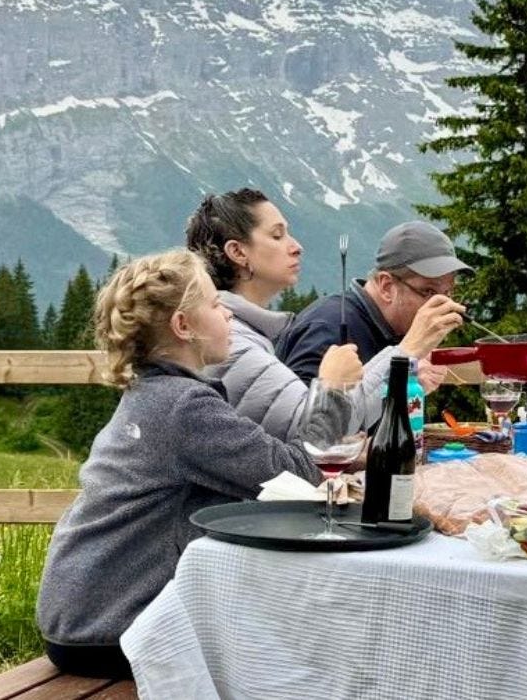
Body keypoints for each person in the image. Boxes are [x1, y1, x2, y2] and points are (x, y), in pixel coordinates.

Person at [35, 249, 343, 679]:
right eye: (216, 306)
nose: (229, 317)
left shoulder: (155, 395)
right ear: (184, 326)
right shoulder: (183, 407)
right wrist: (333, 388)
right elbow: (302, 473)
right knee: (303, 654)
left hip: (80, 621)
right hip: (112, 631)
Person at [186, 189, 373, 438]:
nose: (297, 247)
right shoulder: (234, 343)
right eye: (277, 236)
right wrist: (407, 353)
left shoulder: (248, 333)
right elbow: (311, 439)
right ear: (238, 252)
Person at [276, 221, 469, 393]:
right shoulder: (328, 326)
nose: (444, 305)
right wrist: (399, 376)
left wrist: (408, 384)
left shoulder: (394, 328)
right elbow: (303, 422)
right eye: (429, 292)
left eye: (448, 293)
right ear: (386, 286)